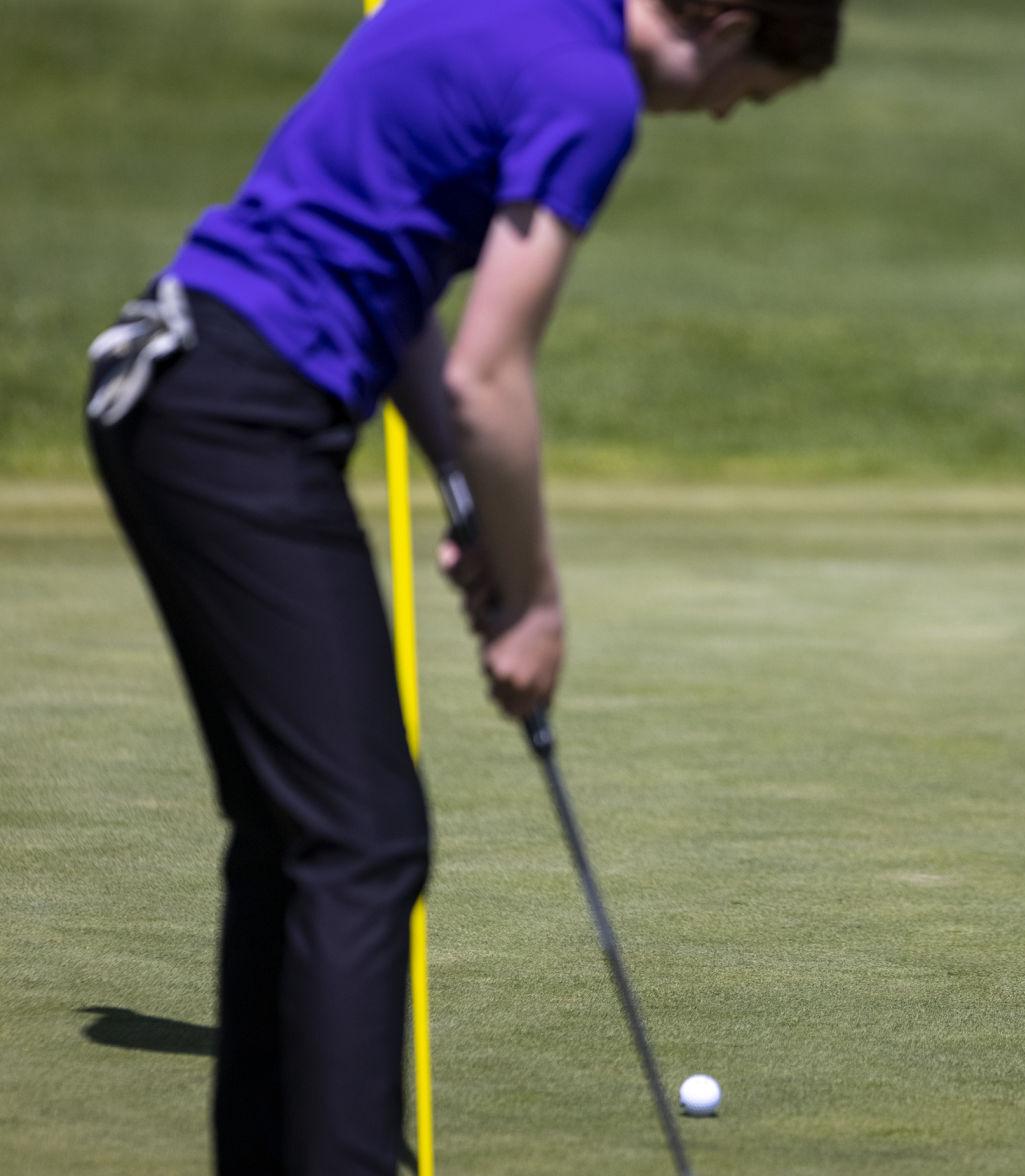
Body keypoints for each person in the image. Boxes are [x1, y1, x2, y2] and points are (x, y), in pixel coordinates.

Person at [83, 1, 842, 1171]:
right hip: (236, 419)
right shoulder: (589, 88)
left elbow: (393, 296)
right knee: (363, 841)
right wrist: (534, 602)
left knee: (293, 832)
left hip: (169, 393)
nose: (725, 115)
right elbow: (488, 377)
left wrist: (471, 504)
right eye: (749, 89)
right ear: (731, 22)